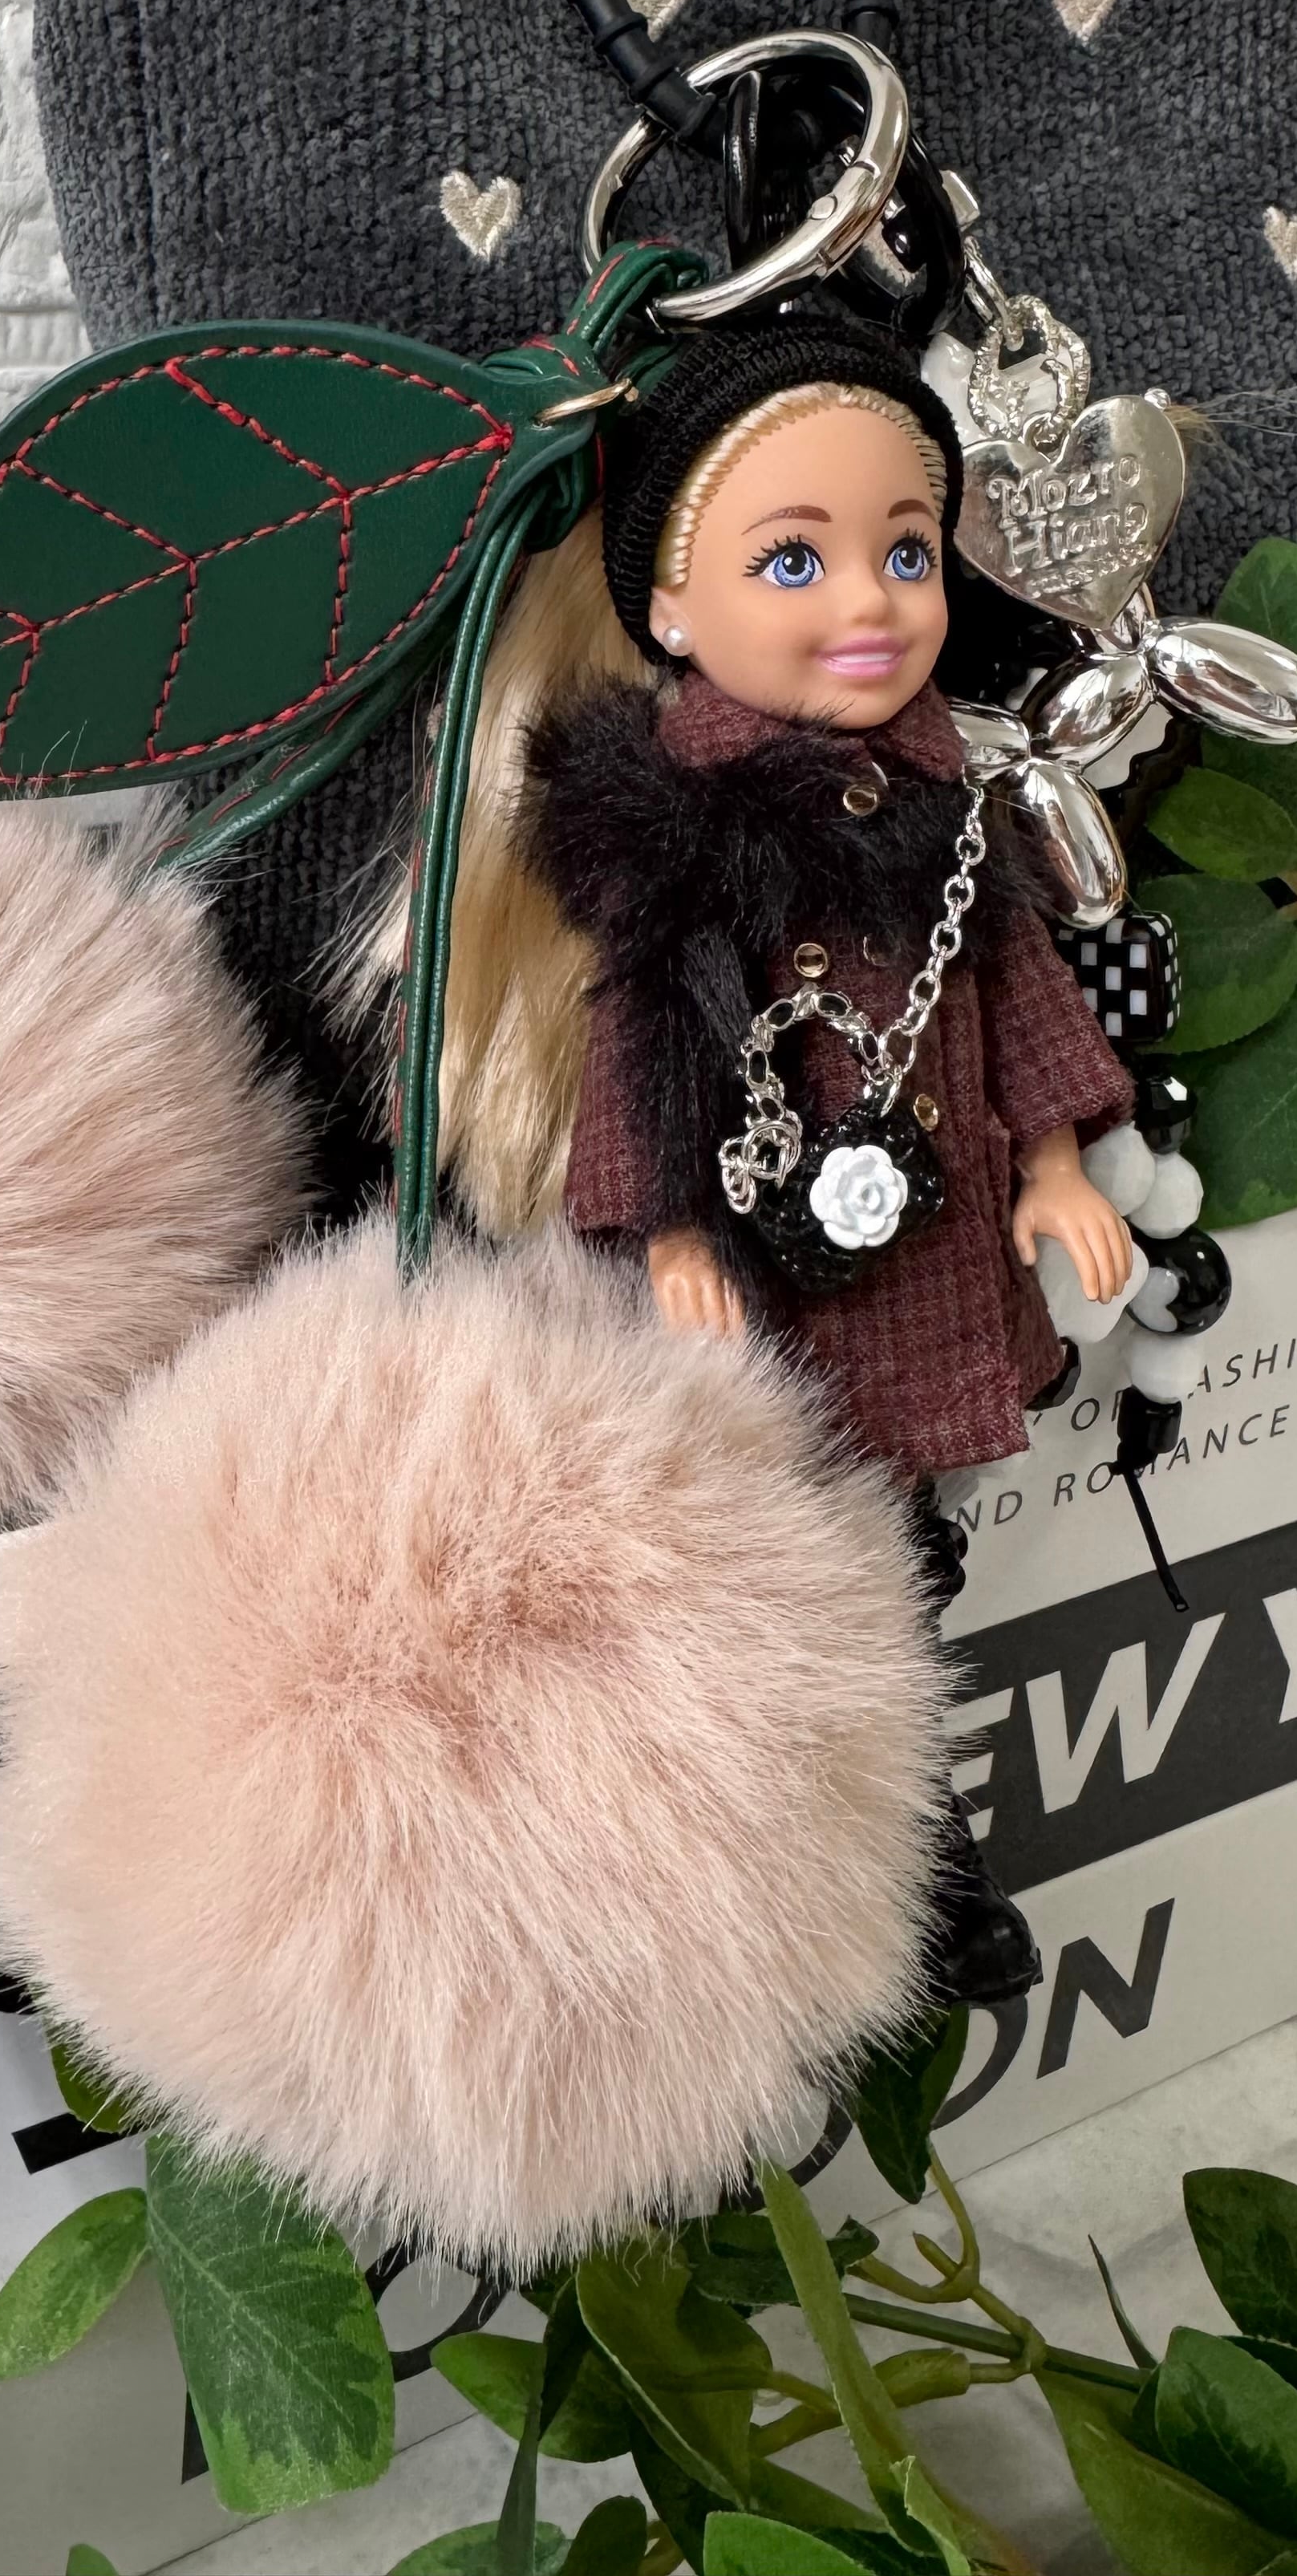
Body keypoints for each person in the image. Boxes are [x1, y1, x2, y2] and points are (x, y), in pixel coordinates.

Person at [432, 300, 1139, 2000]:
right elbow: (640, 1039)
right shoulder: (682, 836)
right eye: (794, 561)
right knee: (802, 1572)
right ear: (672, 607)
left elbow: (1016, 983)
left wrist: (1055, 1161)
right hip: (774, 1279)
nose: (871, 603)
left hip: (937, 1251)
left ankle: (905, 1862)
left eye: (907, 551)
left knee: (911, 1557)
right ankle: (819, 1870)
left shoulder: (950, 804)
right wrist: (670, 1233)